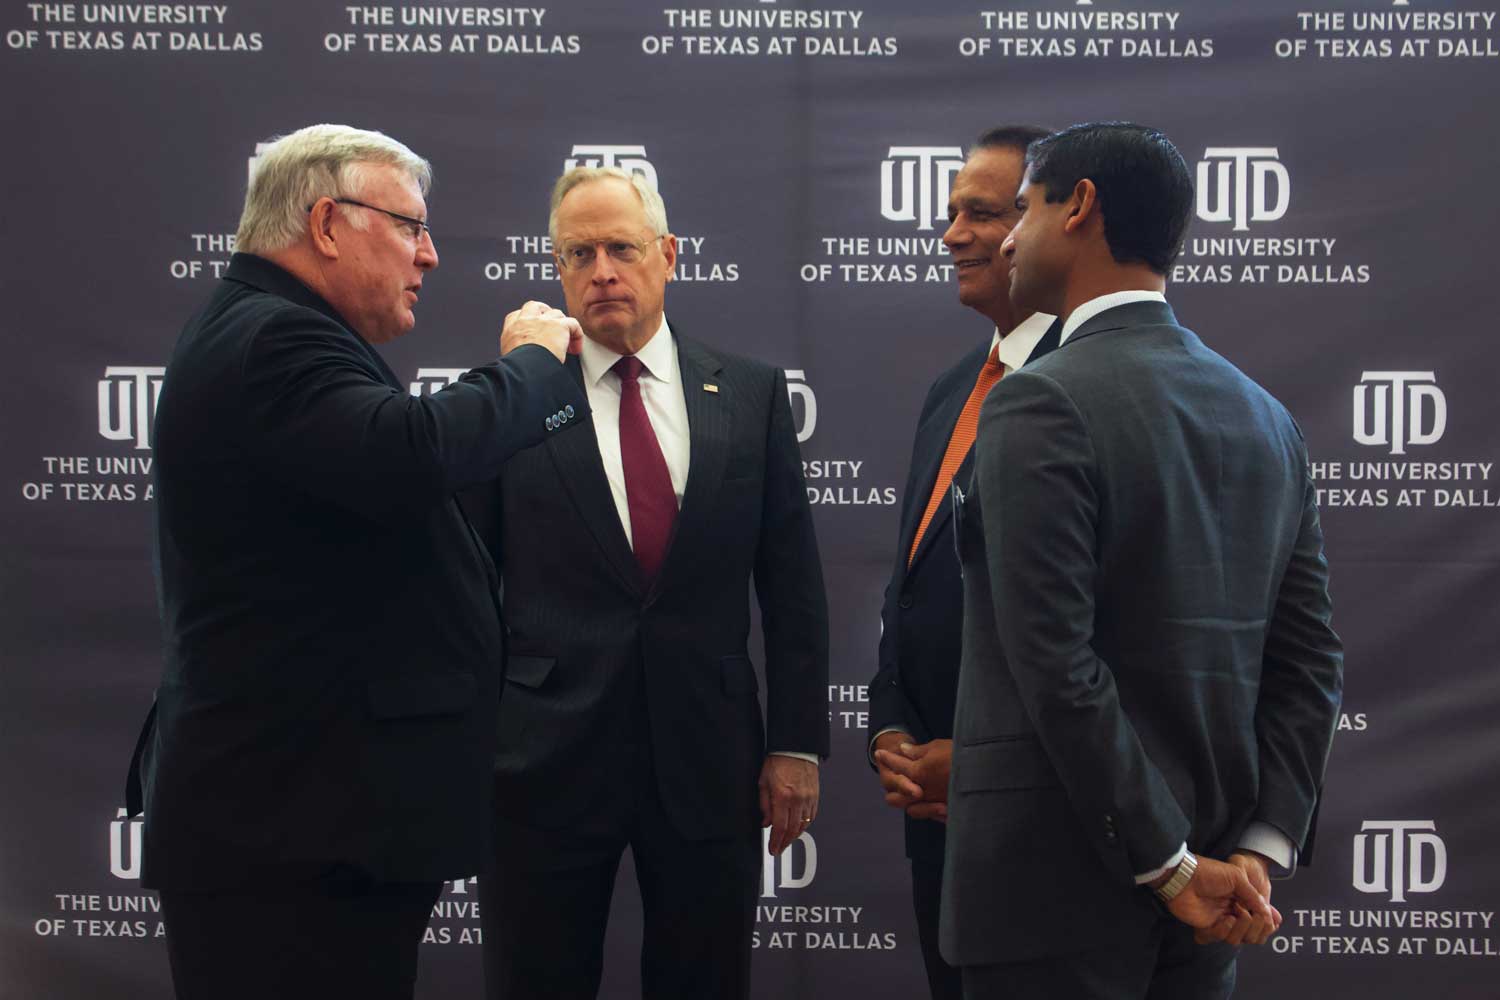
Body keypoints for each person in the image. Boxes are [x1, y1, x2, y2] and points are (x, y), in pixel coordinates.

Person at [123, 123, 588, 1000]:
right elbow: (410, 452)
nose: (431, 254)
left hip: (309, 822)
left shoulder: (272, 330)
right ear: (329, 223)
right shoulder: (273, 340)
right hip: (289, 834)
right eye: (411, 226)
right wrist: (529, 364)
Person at [940, 122, 1343, 999]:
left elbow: (1052, 661)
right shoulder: (1268, 418)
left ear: (1078, 208)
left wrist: (1169, 864)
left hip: (1056, 898)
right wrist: (1255, 848)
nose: (1007, 237)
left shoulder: (1039, 399)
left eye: (1027, 209)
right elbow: (1310, 662)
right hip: (1217, 897)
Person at [466, 166, 829, 1000]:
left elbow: (794, 586)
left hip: (709, 756)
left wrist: (797, 744)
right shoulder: (511, 400)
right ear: (556, 270)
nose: (601, 271)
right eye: (578, 253)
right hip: (539, 763)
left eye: (622, 248)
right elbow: (465, 580)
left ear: (667, 255)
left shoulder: (749, 394)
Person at [866, 124, 1059, 1000]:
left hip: (1048, 828)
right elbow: (912, 588)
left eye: (979, 213)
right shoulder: (954, 388)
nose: (949, 236)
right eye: (950, 213)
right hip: (937, 821)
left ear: (1049, 223)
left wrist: (976, 765)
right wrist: (891, 729)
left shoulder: (1089, 388)